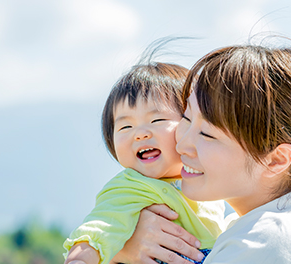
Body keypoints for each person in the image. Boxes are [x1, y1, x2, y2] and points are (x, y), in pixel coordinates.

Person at [114, 44, 291, 263]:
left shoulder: (268, 240)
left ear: (275, 160)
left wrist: (117, 249)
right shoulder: (249, 229)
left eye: (207, 134)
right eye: (187, 118)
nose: (181, 145)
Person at [63, 62, 226, 264]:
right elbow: (98, 229)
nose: (140, 134)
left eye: (156, 120)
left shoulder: (211, 181)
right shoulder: (130, 188)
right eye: (126, 126)